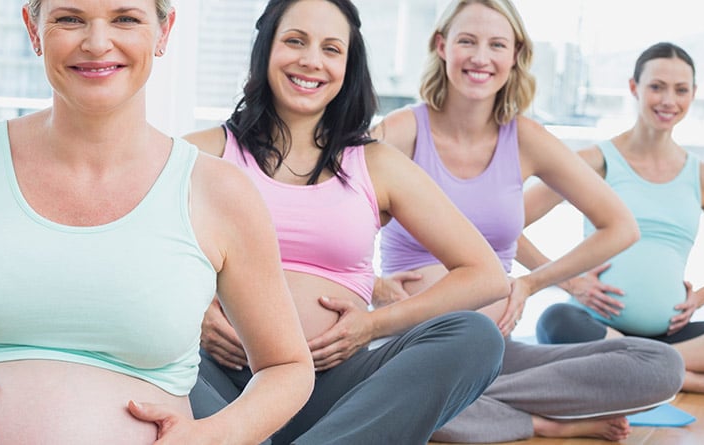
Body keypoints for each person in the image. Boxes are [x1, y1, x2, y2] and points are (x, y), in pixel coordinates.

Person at [0, 1, 315, 444]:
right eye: (70, 18)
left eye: (125, 18)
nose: (96, 43)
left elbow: (287, 367)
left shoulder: (220, 193)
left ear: (163, 31)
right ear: (34, 29)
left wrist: (212, 436)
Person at [182, 0, 509, 443]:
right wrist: (196, 312)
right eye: (295, 41)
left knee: (476, 337)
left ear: (348, 64)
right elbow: (125, 256)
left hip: (333, 389)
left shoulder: (377, 164)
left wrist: (372, 326)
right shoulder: (198, 153)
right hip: (217, 380)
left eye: (332, 49)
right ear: (266, 49)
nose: (311, 61)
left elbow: (486, 276)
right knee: (137, 355)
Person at [371, 1, 683, 442]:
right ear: (441, 46)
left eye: (497, 44)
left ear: (515, 54)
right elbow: (330, 221)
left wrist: (531, 282)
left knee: (660, 365)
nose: (481, 57)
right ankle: (537, 420)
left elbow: (621, 226)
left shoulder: (527, 139)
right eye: (467, 41)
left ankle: (463, 400)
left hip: (495, 353)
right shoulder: (402, 131)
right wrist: (372, 285)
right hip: (409, 346)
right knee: (387, 385)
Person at [527, 42, 704, 398]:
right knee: (555, 322)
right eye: (656, 87)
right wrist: (570, 283)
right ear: (634, 88)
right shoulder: (594, 162)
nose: (668, 100)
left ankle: (651, 365)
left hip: (671, 330)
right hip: (594, 324)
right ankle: (694, 379)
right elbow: (508, 224)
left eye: (681, 90)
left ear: (693, 95)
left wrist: (701, 298)